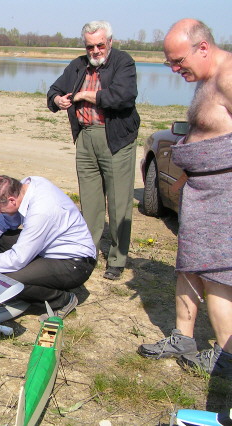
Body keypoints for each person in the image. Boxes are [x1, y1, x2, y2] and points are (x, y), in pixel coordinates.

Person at [137, 19, 232, 379]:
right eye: (170, 64)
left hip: (223, 195)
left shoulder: (227, 77)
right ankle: (183, 337)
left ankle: (226, 355)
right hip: (199, 191)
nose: (176, 69)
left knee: (218, 272)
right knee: (189, 265)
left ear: (203, 47)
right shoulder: (207, 79)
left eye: (179, 62)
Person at [47, 21, 140, 281]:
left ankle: (117, 260)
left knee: (120, 203)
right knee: (90, 203)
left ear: (109, 42)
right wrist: (58, 99)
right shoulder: (78, 65)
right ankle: (87, 252)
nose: (96, 50)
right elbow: (53, 91)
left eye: (100, 45)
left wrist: (82, 96)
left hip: (116, 139)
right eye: (90, 46)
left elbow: (122, 97)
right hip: (85, 137)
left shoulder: (124, 62)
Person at [0, 175, 96, 317]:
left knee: (9, 282)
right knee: (2, 240)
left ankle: (62, 300)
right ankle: (35, 281)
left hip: (74, 263)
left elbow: (17, 259)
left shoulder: (41, 211)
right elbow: (0, 222)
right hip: (48, 249)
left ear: (11, 200)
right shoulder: (24, 186)